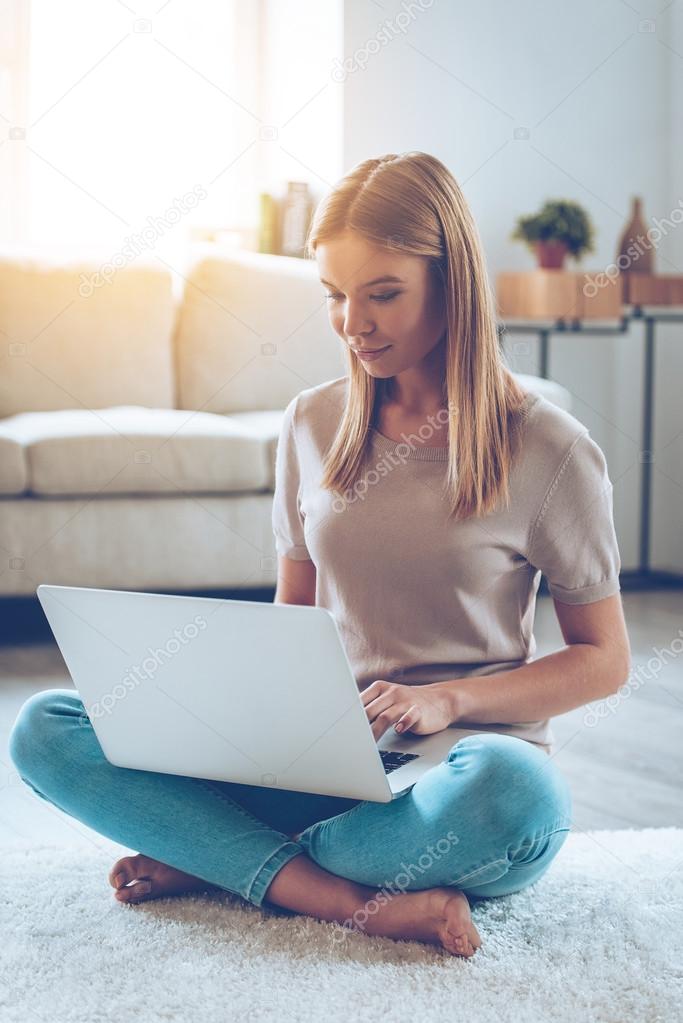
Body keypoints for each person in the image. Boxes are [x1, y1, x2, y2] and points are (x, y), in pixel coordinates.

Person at [9, 152, 631, 958]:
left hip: (452, 780)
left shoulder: (549, 448)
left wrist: (446, 701)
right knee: (46, 728)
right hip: (315, 771)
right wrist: (221, 718)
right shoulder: (311, 422)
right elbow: (290, 622)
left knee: (516, 795)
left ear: (452, 283)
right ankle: (338, 896)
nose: (353, 323)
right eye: (334, 296)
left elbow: (604, 659)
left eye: (382, 294)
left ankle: (228, 858)